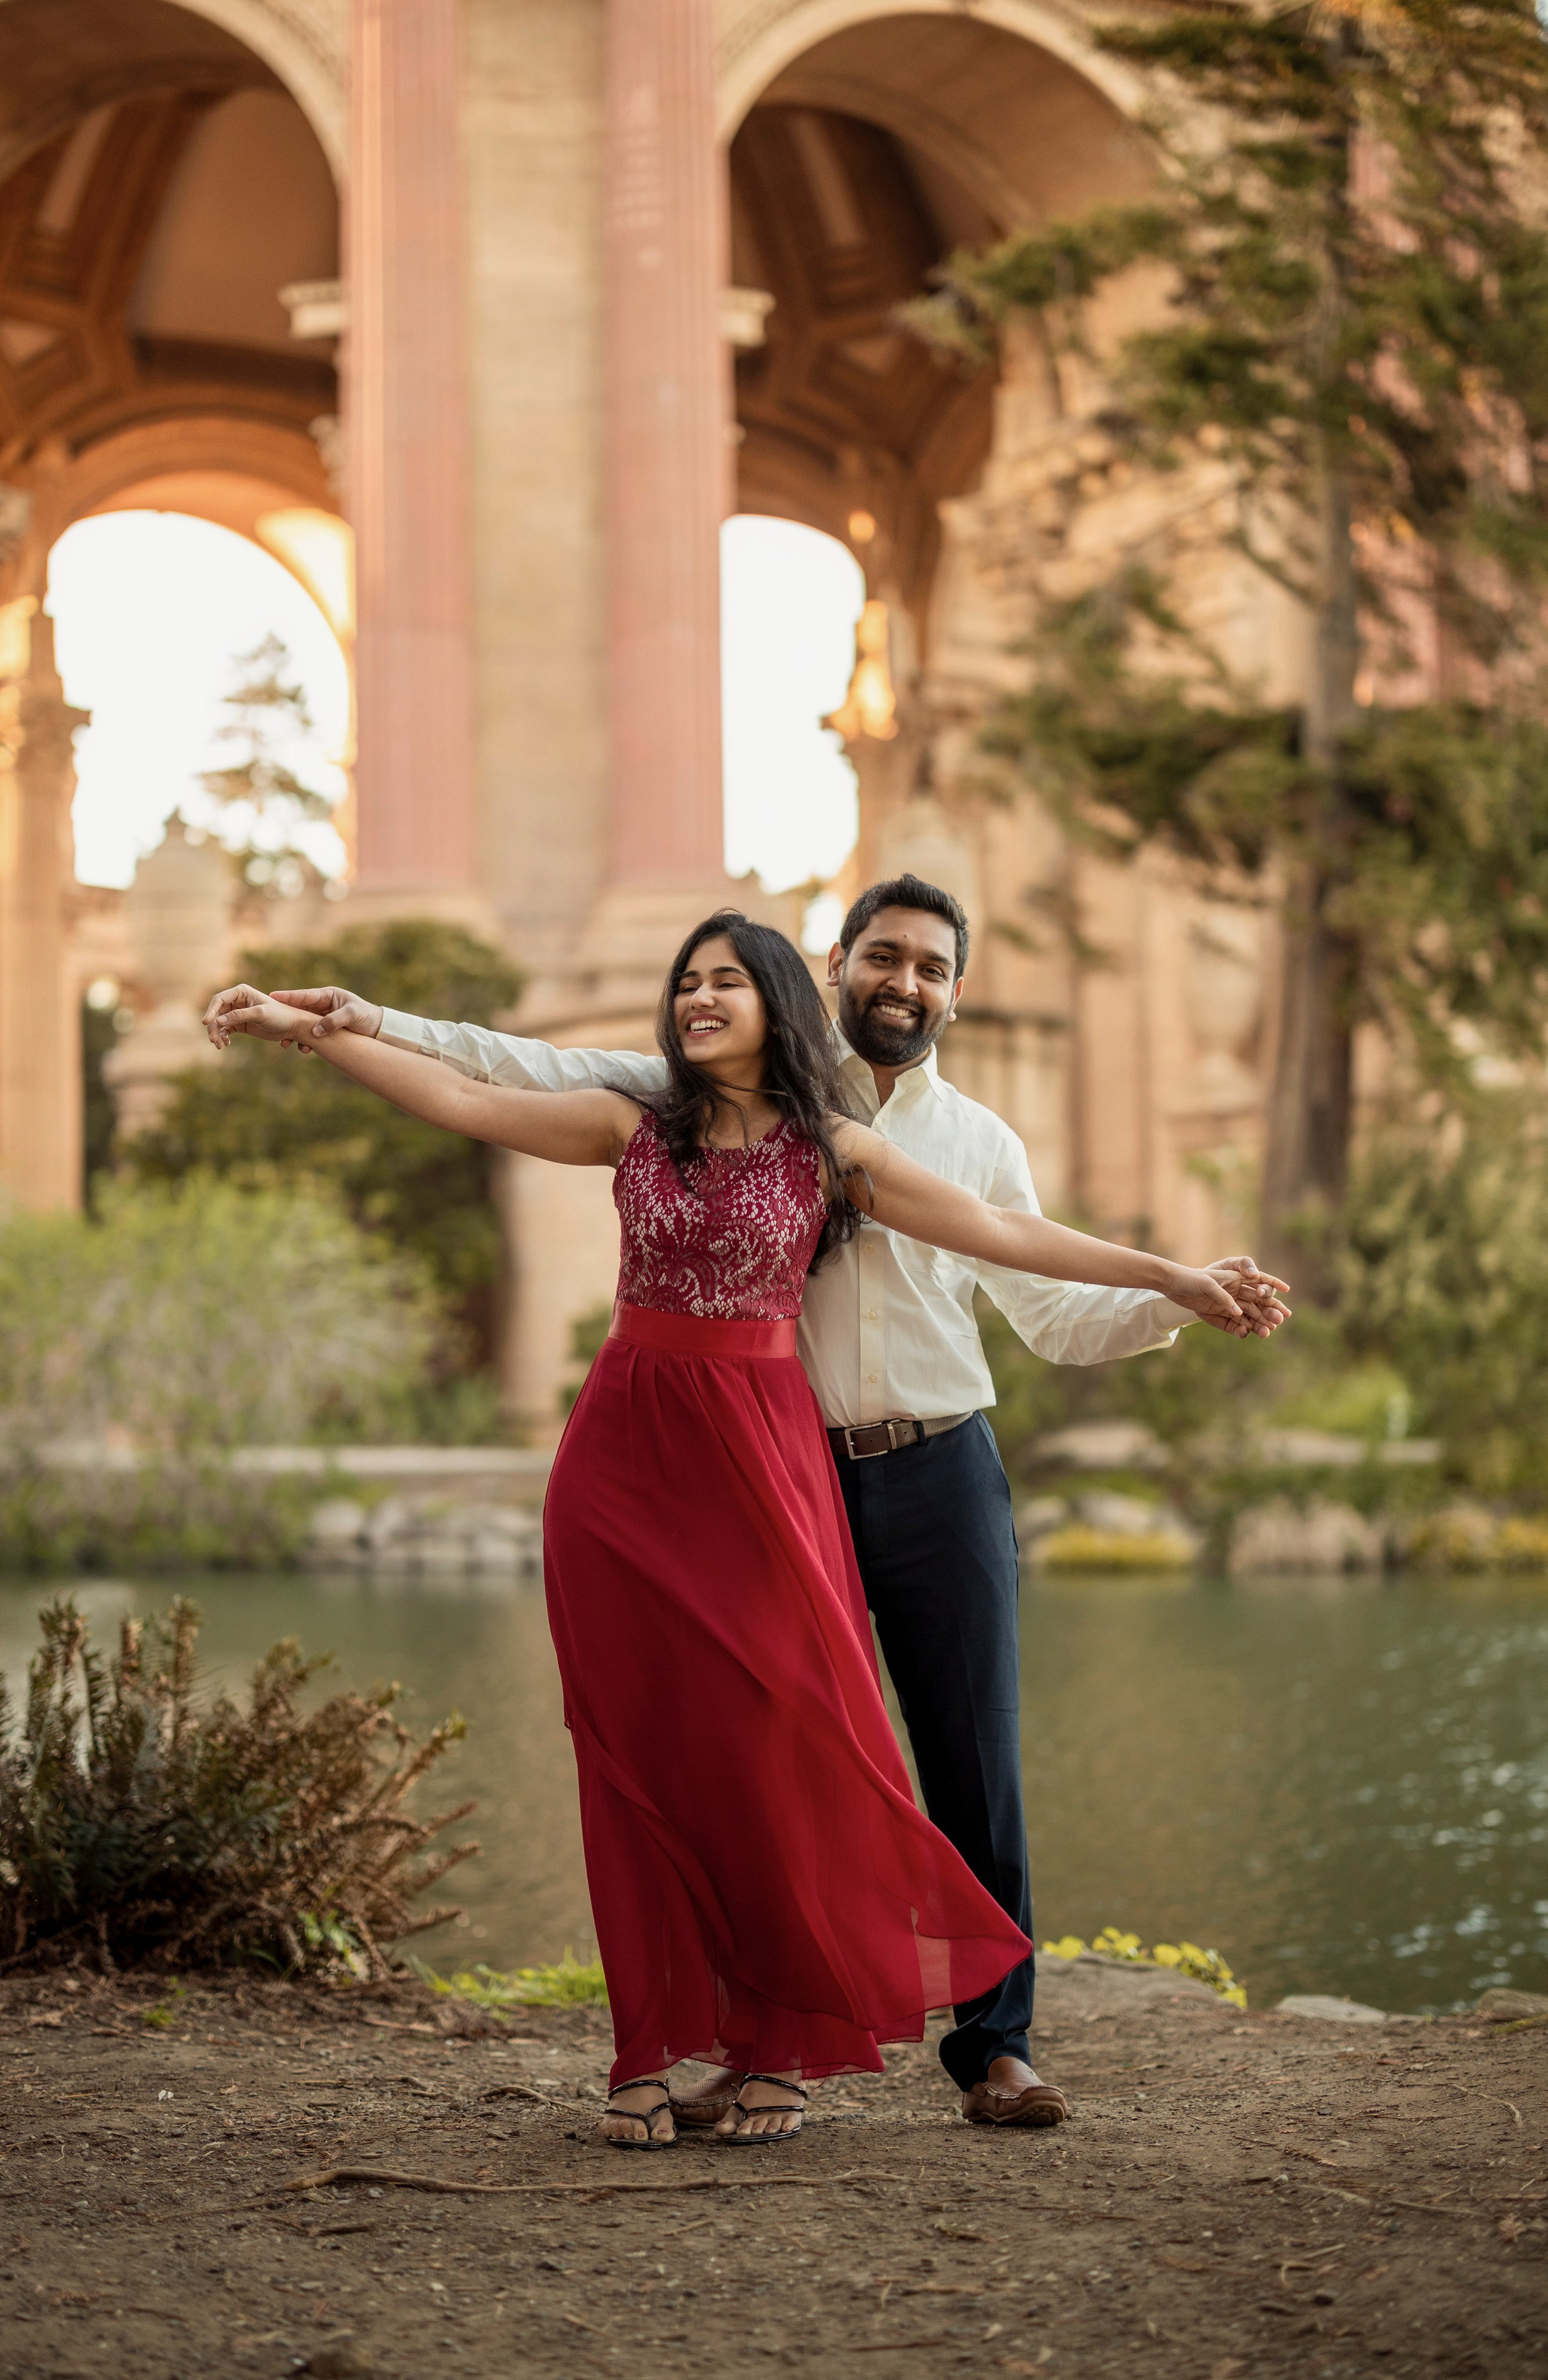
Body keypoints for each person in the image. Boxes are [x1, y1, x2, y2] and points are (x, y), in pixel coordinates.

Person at [205, 886, 1287, 2141]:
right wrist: (331, 1026)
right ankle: (707, 2041)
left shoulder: (883, 1145)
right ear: (829, 972)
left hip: (911, 1465)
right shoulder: (644, 1114)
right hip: (725, 1468)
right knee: (704, 1758)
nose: (902, 979)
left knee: (940, 1758)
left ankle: (980, 2046)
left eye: (929, 965)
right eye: (880, 955)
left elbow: (1014, 1244)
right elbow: (491, 1082)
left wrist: (1175, 1283)